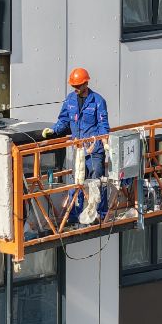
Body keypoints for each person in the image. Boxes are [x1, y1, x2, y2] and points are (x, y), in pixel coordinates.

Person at [43, 68, 110, 220]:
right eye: (74, 86)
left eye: (78, 86)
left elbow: (103, 124)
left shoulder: (98, 101)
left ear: (86, 83)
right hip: (79, 149)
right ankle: (74, 214)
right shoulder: (70, 100)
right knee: (77, 181)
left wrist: (104, 141)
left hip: (94, 150)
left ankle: (99, 214)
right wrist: (53, 130)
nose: (76, 88)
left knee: (96, 181)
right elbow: (64, 120)